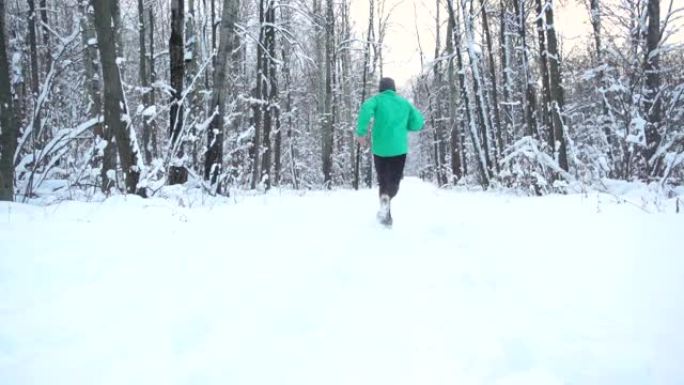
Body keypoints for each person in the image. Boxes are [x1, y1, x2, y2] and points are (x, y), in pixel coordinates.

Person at [356, 77, 425, 226]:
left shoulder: (377, 100)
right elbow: (419, 122)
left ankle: (386, 217)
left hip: (380, 149)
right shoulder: (404, 102)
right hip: (398, 149)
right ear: (394, 89)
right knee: (394, 181)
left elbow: (366, 108)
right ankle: (388, 199)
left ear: (381, 88)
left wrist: (361, 133)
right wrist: (407, 126)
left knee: (383, 181)